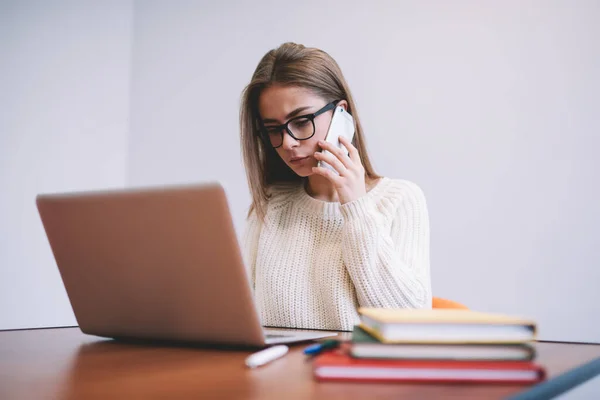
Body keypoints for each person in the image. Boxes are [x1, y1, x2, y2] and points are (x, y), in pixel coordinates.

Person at [239, 42, 431, 331]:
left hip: (358, 375)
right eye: (274, 130)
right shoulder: (270, 204)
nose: (288, 143)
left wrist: (356, 207)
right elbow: (244, 315)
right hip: (279, 374)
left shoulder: (400, 199)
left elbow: (410, 323)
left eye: (301, 122)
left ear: (341, 114)